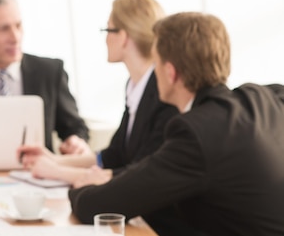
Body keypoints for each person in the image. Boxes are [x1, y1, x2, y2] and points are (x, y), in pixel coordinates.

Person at [69, 12, 284, 236]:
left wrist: (83, 187)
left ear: (170, 72)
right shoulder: (263, 96)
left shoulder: (196, 133)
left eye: (156, 62)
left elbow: (95, 207)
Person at [18, 0, 178, 184]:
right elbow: (114, 155)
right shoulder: (135, 86)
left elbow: (138, 173)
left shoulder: (162, 91)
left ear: (124, 37)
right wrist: (54, 159)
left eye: (108, 30)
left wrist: (57, 171)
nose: (105, 39)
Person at [0, 0, 89, 153]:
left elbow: (74, 128)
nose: (15, 37)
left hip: (38, 173)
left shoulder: (50, 72)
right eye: (3, 29)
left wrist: (76, 141)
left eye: (18, 25)